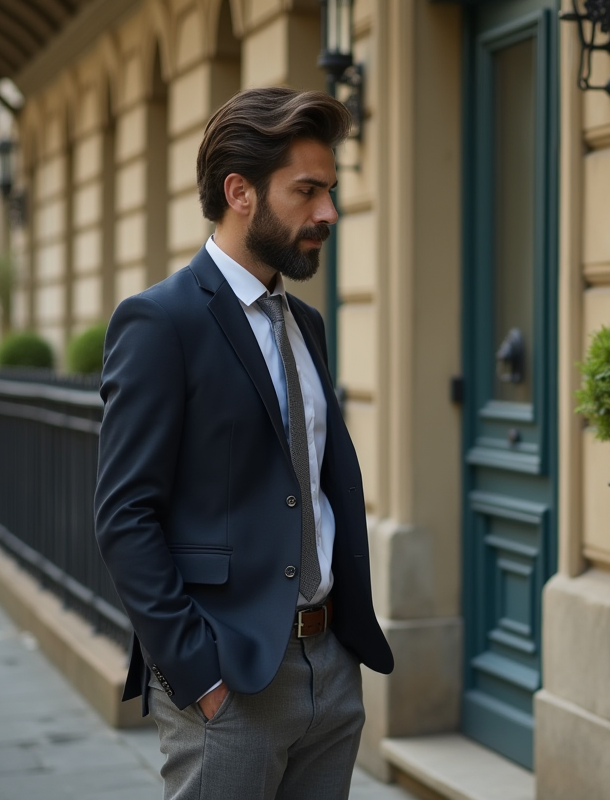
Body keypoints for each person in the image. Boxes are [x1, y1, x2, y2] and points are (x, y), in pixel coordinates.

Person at [94, 86, 393, 800]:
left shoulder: (306, 324)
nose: (329, 212)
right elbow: (124, 516)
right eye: (308, 191)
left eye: (331, 191)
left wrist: (341, 649)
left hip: (331, 669)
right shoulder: (159, 322)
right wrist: (198, 674)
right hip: (232, 682)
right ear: (241, 193)